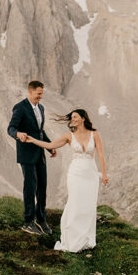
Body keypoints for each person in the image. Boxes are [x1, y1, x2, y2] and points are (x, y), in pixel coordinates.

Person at [20, 108, 108, 252]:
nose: (73, 119)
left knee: (88, 205)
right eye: (72, 117)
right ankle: (71, 239)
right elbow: (50, 145)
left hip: (91, 175)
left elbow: (101, 155)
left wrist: (104, 174)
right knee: (75, 202)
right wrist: (31, 139)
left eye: (75, 117)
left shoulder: (95, 134)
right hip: (75, 174)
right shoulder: (69, 136)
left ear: (83, 118)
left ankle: (85, 238)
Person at [7, 80, 55, 235]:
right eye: (38, 93)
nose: (41, 97)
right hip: (26, 154)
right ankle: (28, 222)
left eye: (42, 94)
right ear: (30, 92)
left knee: (42, 187)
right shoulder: (20, 108)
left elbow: (39, 131)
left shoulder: (41, 108)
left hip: (40, 154)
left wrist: (50, 146)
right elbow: (11, 128)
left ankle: (41, 219)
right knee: (30, 187)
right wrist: (18, 134)